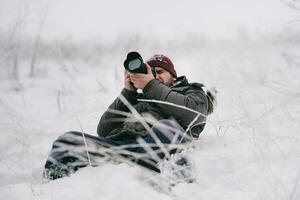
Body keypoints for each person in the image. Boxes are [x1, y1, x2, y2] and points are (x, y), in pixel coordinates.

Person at [43, 54, 215, 180]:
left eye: (160, 71)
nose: (156, 77)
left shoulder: (192, 91)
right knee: (67, 141)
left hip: (158, 145)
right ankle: (54, 189)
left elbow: (194, 114)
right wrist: (128, 92)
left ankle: (143, 179)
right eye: (151, 73)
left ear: (173, 75)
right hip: (123, 148)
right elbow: (104, 131)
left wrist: (150, 85)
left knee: (166, 127)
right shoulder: (140, 96)